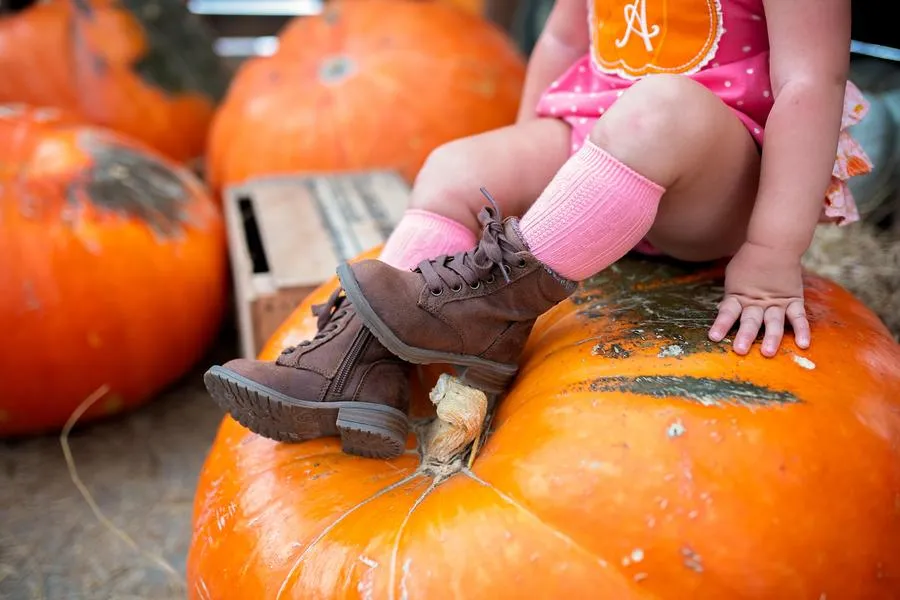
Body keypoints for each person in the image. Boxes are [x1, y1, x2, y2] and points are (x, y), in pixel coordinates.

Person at [203, 0, 872, 459]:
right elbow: (562, 40)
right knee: (457, 165)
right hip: (598, 140)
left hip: (717, 175)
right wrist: (522, 183)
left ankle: (488, 307)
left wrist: (771, 248)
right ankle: (358, 366)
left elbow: (813, 81)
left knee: (658, 108)